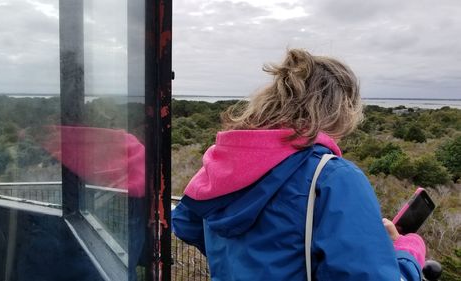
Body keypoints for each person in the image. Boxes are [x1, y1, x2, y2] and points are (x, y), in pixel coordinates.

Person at [172, 49, 425, 280]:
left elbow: (185, 221)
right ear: (342, 109)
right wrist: (406, 252)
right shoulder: (332, 177)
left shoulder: (224, 160)